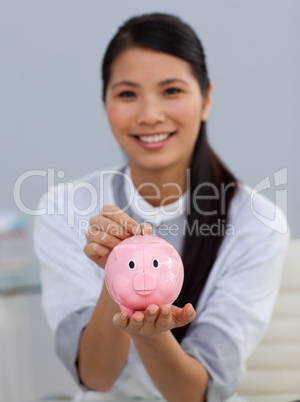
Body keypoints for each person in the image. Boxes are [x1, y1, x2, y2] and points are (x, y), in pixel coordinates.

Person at [34, 12, 289, 402]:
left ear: (206, 98)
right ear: (105, 102)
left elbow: (197, 393)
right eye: (127, 93)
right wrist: (116, 275)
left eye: (171, 91)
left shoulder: (258, 223)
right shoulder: (65, 209)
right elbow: (96, 377)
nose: (150, 114)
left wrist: (152, 337)